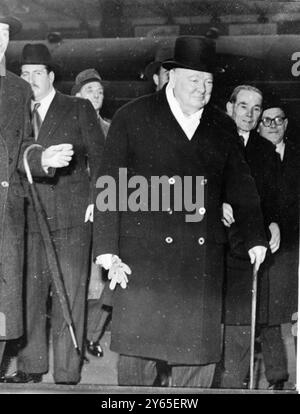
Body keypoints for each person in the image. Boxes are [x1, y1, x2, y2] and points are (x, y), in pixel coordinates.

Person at [93, 36, 268, 387]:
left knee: (197, 358)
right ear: (171, 76)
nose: (203, 88)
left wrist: (255, 236)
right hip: (142, 259)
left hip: (199, 262)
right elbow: (108, 188)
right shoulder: (133, 116)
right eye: (194, 79)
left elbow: (242, 188)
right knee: (138, 361)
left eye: (209, 82)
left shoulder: (221, 126)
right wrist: (107, 252)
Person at [2, 43, 104, 385]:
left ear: (51, 77)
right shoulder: (14, 108)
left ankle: (66, 374)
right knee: (28, 296)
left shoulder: (77, 107)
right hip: (27, 218)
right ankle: (32, 366)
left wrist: (97, 199)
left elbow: (100, 159)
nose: (30, 81)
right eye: (24, 74)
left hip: (72, 220)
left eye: (37, 75)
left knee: (69, 296)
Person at [0, 17, 74, 371]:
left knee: (3, 316)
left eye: (4, 34)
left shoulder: (17, 89)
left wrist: (40, 157)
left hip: (6, 220)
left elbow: (22, 145)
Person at [220, 85, 280, 389]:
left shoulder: (266, 152)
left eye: (256, 109)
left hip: (248, 249)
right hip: (215, 247)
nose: (249, 114)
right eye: (243, 106)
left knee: (242, 328)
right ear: (230, 108)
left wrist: (274, 223)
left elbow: (273, 199)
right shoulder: (211, 139)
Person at [257, 96, 299, 389]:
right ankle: (277, 376)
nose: (273, 125)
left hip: (293, 245)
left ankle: (294, 378)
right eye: (267, 120)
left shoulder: (297, 156)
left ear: (286, 124)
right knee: (266, 314)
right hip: (261, 243)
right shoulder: (248, 155)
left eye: (278, 120)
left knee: (289, 316)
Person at [72, 68, 111, 359]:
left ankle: (91, 335)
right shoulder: (68, 126)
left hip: (103, 209)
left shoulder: (111, 128)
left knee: (100, 278)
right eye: (90, 91)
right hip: (74, 211)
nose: (96, 96)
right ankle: (74, 337)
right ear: (77, 96)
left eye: (99, 92)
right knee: (77, 277)